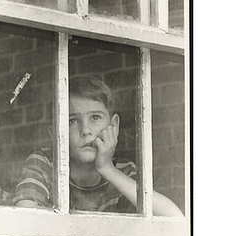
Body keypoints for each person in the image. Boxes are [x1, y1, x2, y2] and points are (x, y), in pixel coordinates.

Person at [13, 76, 183, 216]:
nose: (85, 130)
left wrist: (107, 168)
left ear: (113, 125)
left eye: (95, 117)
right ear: (55, 133)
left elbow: (174, 218)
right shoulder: (45, 162)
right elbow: (25, 216)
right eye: (72, 120)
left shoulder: (123, 171)